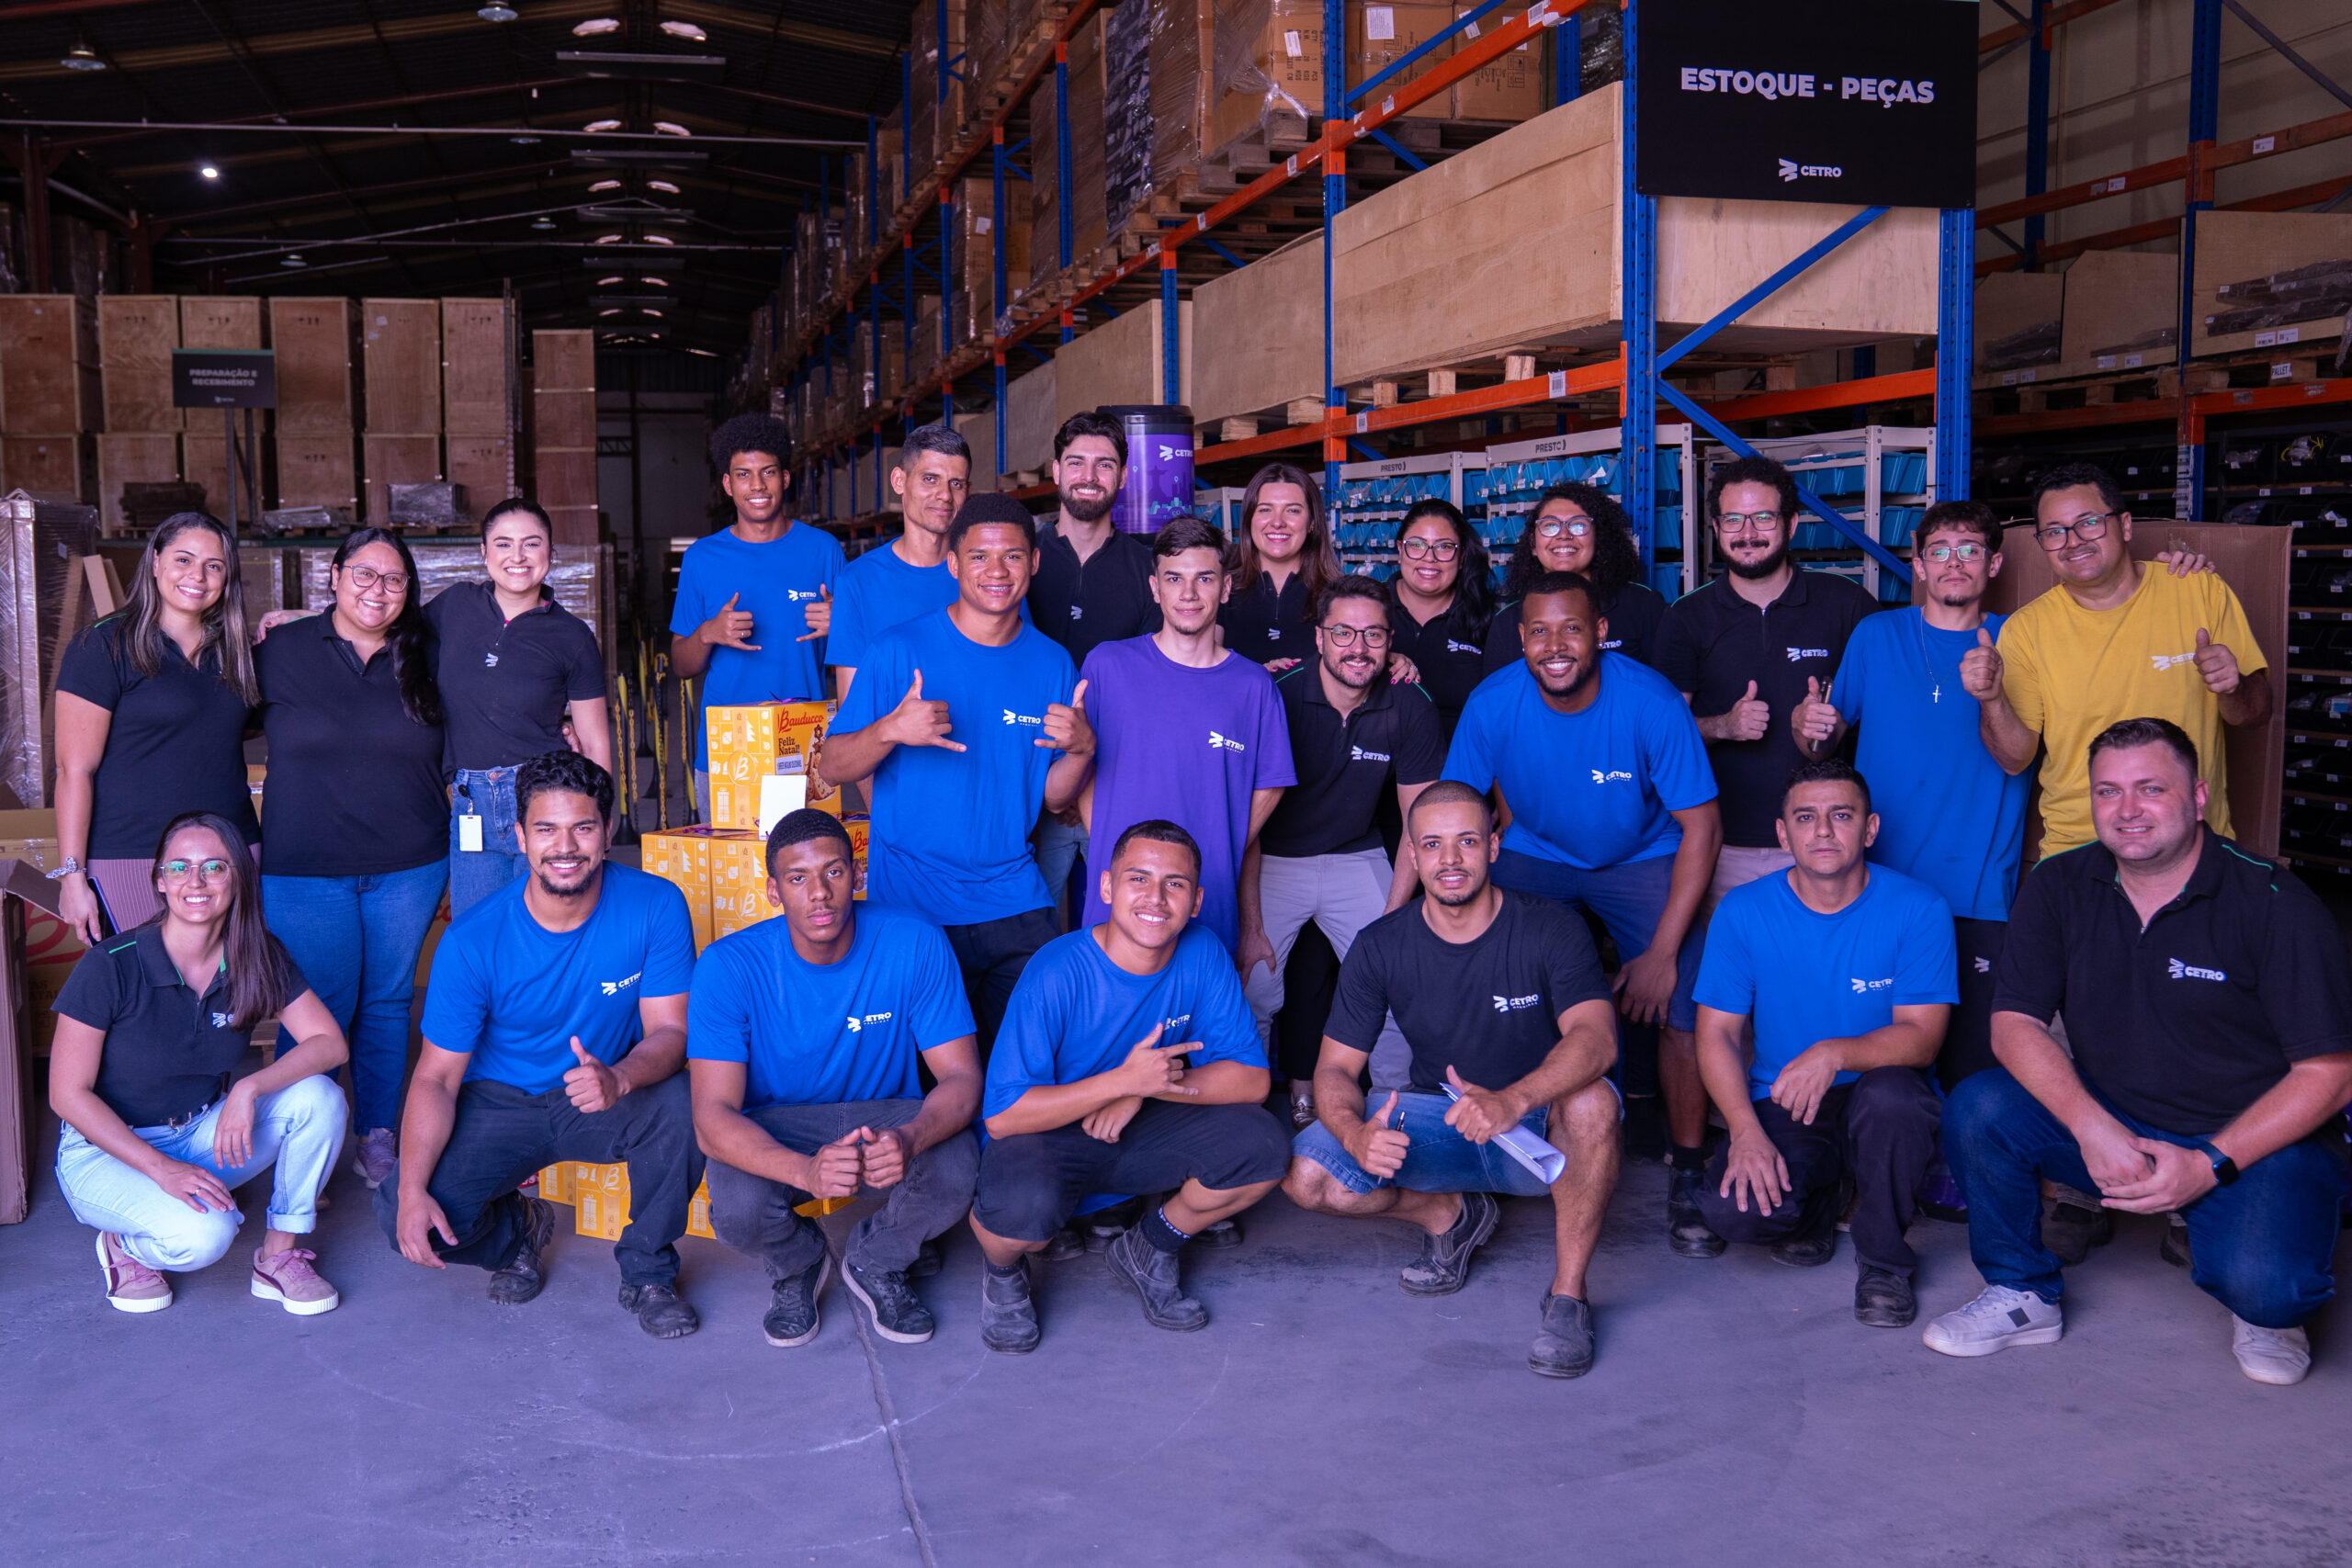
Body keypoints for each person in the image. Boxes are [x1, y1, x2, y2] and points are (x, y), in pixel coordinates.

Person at [1923, 719, 2352, 1386]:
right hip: (2118, 1122)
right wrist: (2095, 1129)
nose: (2127, 810)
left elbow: (2332, 1072)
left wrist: (2209, 1164)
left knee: (2267, 1287)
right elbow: (2014, 1024)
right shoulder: (2060, 885)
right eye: (2108, 791)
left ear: (2199, 796)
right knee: (1981, 1106)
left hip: (2252, 1142)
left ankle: (2264, 1305)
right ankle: (2023, 1293)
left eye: (2151, 788)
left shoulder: (2274, 902)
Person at [1283, 783, 1625, 1378]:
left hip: (1539, 1129)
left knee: (1594, 1102)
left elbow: (1597, 1039)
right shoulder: (1380, 944)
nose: (1450, 859)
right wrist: (1354, 1132)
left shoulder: (1550, 927)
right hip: (1443, 1120)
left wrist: (1514, 1098)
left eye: (1467, 841)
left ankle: (1568, 1296)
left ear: (1494, 845)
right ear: (1411, 855)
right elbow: (1335, 1068)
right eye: (1433, 844)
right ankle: (1448, 1214)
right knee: (1308, 1175)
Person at [375, 750, 705, 1338]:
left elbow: (671, 1034)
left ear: (606, 832)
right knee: (403, 1210)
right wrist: (409, 1189)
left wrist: (622, 1078)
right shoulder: (473, 939)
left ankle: (649, 1270)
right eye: (546, 830)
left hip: (604, 1089)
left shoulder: (656, 905)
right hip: (502, 1101)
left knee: (684, 1104)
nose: (565, 847)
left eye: (582, 827)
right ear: (520, 837)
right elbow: (436, 1078)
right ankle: (517, 1235)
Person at [1443, 570, 1721, 1252]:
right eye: (1538, 630)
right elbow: (1455, 808)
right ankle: (1496, 1140)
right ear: (1520, 639)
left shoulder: (1650, 701)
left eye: (1572, 627)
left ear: (1600, 632)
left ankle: (1685, 1168)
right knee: (1487, 974)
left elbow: (1703, 826)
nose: (1555, 644)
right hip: (1537, 852)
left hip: (1641, 855)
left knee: (1685, 992)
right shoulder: (1493, 701)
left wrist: (1657, 954)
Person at [967, 820, 1291, 1352]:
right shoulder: (1056, 970)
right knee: (1020, 1220)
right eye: (1138, 879)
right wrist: (1119, 1080)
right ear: (1107, 888)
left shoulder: (1203, 951)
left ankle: (1151, 1246)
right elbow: (1004, 1116)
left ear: (1196, 899)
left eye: (1175, 884)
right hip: (1048, 1136)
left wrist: (1143, 1089)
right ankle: (1003, 1275)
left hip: (1142, 1126)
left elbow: (1252, 1080)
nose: (1156, 899)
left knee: (1263, 1147)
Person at [688, 810, 981, 1348]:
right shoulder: (727, 966)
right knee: (735, 1209)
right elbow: (711, 1119)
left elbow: (962, 1078)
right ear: (774, 892)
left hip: (884, 1114)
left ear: (857, 873)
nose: (819, 893)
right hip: (780, 1124)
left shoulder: (914, 940)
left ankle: (878, 1261)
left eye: (834, 872)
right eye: (798, 878)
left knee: (959, 1162)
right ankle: (798, 1261)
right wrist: (806, 1172)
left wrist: (911, 1137)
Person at [820, 493, 1095, 1050]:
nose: (996, 572)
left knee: (1029, 1072)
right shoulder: (898, 651)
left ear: (1034, 563)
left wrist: (1084, 750)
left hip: (1014, 901)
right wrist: (890, 730)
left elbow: (1049, 796)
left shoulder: (1051, 664)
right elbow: (830, 764)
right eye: (979, 557)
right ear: (953, 563)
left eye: (1013, 557)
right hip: (914, 907)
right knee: (928, 1087)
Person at [51, 811, 351, 1315]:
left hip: (199, 1134)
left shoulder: (257, 955)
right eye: (179, 868)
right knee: (206, 1238)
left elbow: (329, 1043)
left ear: (238, 879)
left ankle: (278, 1257)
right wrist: (161, 1169)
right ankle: (125, 1248)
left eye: (215, 867)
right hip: (106, 1151)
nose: (196, 881)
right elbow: (66, 1095)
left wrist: (249, 1088)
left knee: (320, 1097)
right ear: (159, 883)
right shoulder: (112, 964)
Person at [1688, 760, 1954, 1329]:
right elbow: (1717, 1032)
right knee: (1739, 1217)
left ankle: (1884, 1261)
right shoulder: (1744, 910)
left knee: (1893, 1100)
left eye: (1841, 815)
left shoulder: (1918, 907)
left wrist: (1834, 1051)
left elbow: (1923, 1039)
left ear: (1871, 828)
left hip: (1881, 1095)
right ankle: (1826, 1198)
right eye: (1806, 818)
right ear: (1783, 834)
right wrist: (1744, 1131)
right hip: (1785, 1098)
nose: (1824, 832)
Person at [1789, 501, 2030, 1093]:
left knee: (1972, 1064)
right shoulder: (1877, 635)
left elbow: (2022, 753)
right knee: (1883, 1057)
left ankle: (1957, 1178)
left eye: (1970, 550)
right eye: (1939, 551)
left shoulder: (2021, 640)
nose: (1954, 563)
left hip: (1977, 891)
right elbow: (1824, 747)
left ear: (1994, 563)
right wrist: (1807, 725)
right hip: (1881, 885)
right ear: (1917, 564)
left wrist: (1992, 693)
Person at [253, 527, 449, 1194]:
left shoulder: (428, 651)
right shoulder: (278, 650)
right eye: (364, 574)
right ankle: (297, 1137)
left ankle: (377, 1134)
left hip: (410, 861)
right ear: (333, 576)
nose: (379, 591)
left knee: (390, 1001)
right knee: (318, 1005)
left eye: (394, 580)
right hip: (305, 866)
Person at [1975, 461, 2271, 857]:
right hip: (2081, 853)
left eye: (2089, 522)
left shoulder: (2198, 590)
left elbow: (2255, 715)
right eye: (2054, 532)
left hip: (2194, 848)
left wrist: (2232, 687)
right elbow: (2015, 760)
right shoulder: (2026, 630)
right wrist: (1991, 699)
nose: (2073, 541)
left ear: (2126, 525)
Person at [1241, 576, 1444, 1110]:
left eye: (1374, 636)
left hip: (1358, 854)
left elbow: (1419, 829)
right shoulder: (1276, 694)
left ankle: (1395, 1116)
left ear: (1391, 640)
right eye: (1344, 633)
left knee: (1399, 984)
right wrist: (1251, 924)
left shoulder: (1410, 704)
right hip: (1274, 860)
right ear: (1319, 638)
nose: (1358, 647)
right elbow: (1244, 822)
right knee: (1253, 989)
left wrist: (1392, 926)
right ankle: (1246, 1118)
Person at [1078, 517, 1295, 956]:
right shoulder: (1107, 666)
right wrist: (1110, 845)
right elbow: (1079, 766)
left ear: (1226, 588)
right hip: (1119, 900)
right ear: (1155, 588)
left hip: (1208, 899)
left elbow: (1270, 785)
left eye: (1205, 579)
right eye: (1174, 579)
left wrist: (1222, 847)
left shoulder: (1253, 686)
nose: (1189, 594)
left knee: (1196, 1020)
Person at [53, 513, 263, 942]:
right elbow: (74, 771)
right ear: (154, 561)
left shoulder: (237, 651)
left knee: (230, 996)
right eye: (183, 560)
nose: (198, 577)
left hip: (230, 853)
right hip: (133, 858)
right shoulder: (103, 644)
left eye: (214, 566)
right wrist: (72, 877)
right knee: (143, 996)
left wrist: (293, 623)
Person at [425, 498, 612, 918]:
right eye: (504, 544)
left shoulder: (572, 636)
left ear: (550, 552)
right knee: (477, 929)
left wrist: (601, 816)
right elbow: (383, 629)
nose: (517, 557)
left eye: (532, 544)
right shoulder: (454, 607)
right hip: (470, 801)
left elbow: (596, 737)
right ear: (484, 552)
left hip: (546, 800)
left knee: (551, 925)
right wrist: (302, 620)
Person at [668, 413, 842, 820]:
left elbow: (857, 659)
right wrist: (709, 632)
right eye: (743, 474)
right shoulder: (702, 558)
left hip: (807, 741)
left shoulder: (823, 550)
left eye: (768, 472)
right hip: (728, 749)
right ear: (728, 485)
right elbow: (681, 664)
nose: (757, 486)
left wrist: (841, 627)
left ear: (785, 478)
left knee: (806, 874)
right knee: (734, 875)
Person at [1028, 412, 1162, 919]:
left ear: (1123, 476)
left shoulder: (1147, 569)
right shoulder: (1022, 558)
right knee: (1030, 940)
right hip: (1030, 789)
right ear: (1056, 471)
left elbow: (1157, 684)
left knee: (1119, 931)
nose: (1089, 475)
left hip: (1118, 785)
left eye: (1104, 465)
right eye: (1077, 462)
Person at [824, 423, 975, 700]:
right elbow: (851, 712)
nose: (944, 495)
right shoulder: (857, 582)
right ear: (898, 481)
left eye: (956, 484)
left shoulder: (986, 575)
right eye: (930, 479)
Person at [1483, 483, 1668, 675]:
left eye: (1578, 525)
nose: (1564, 535)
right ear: (1533, 544)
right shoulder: (1507, 622)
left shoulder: (1642, 606)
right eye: (1550, 526)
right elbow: (1496, 696)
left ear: (1598, 539)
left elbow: (1665, 692)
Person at [1385, 499, 1497, 738]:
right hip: (1377, 767)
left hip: (1460, 766)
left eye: (1444, 547)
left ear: (1462, 555)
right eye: (1416, 545)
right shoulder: (1368, 610)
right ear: (1399, 549)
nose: (1429, 558)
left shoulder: (1487, 618)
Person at [1219, 462, 1343, 666]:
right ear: (1250, 519)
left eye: (1292, 511)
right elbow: (1204, 668)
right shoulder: (1221, 589)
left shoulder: (1338, 596)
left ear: (1312, 522)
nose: (1277, 522)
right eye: (1265, 509)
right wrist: (1258, 678)